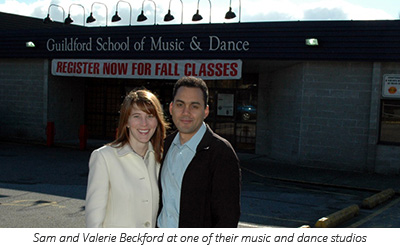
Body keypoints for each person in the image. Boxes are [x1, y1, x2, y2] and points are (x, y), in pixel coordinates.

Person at [157, 76, 241, 228]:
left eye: (194, 106)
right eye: (180, 104)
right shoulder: (164, 146)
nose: (186, 112)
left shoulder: (221, 153)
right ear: (171, 108)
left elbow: (227, 219)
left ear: (206, 111)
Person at [85, 89, 168, 228]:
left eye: (150, 116)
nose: (144, 123)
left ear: (157, 121)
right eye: (136, 116)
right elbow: (94, 222)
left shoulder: (160, 160)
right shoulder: (104, 158)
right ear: (126, 121)